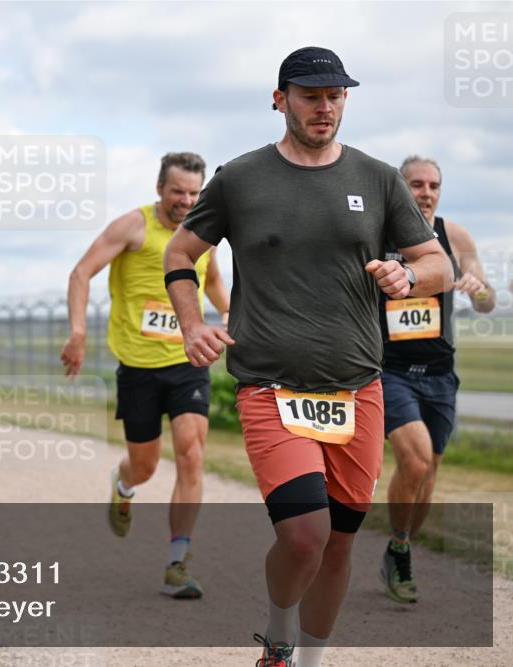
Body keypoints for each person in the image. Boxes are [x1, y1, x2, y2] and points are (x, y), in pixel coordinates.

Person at [163, 47, 453, 667]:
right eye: (310, 95)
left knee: (339, 546)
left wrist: (406, 273)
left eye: (335, 96)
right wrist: (192, 322)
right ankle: (277, 639)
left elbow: (439, 265)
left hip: (358, 390)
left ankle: (310, 660)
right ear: (280, 99)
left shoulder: (377, 179)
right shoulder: (240, 178)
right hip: (270, 385)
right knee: (304, 535)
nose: (324, 107)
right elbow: (180, 253)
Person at [60, 151, 229, 599]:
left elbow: (212, 283)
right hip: (137, 368)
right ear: (160, 189)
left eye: (195, 193)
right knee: (146, 465)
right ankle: (123, 484)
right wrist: (78, 332)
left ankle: (178, 561)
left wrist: (236, 316)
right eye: (178, 192)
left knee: (192, 453)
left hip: (187, 361)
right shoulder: (132, 227)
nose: (186, 201)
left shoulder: (203, 237)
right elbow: (81, 273)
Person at [379, 155, 496, 604]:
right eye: (416, 184)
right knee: (416, 460)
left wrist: (477, 288)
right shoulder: (381, 236)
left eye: (433, 185)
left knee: (428, 476)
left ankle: (398, 547)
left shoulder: (454, 236)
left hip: (441, 375)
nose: (426, 192)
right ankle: (401, 547)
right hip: (391, 371)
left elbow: (486, 302)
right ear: (400, 189)